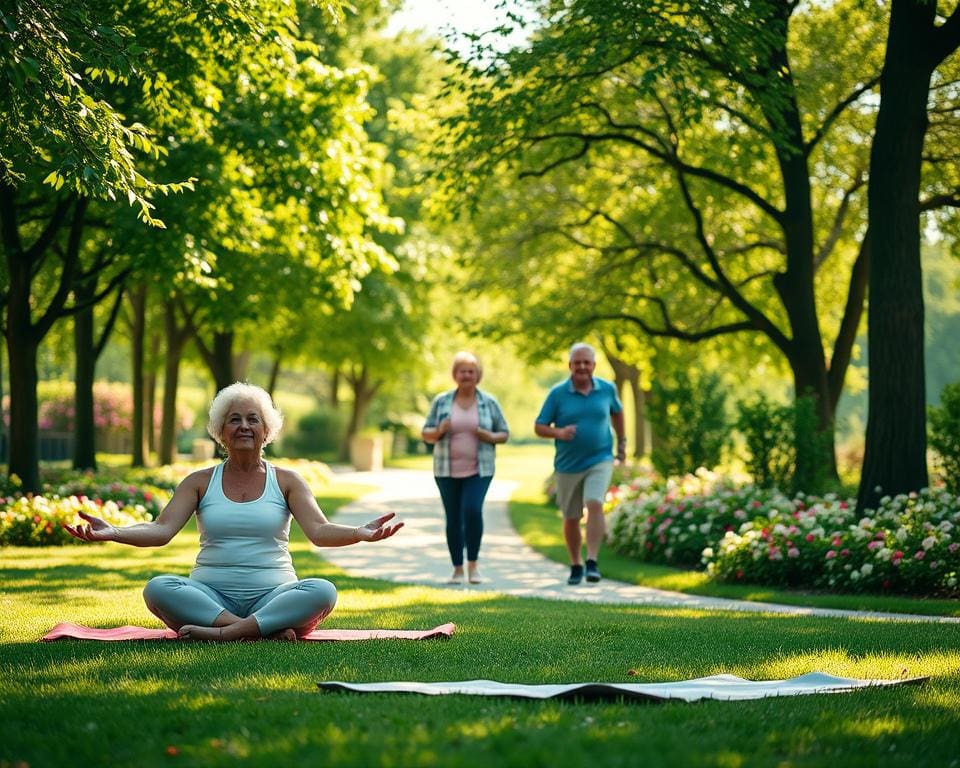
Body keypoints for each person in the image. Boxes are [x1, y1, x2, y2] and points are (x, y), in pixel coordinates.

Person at [65, 382, 402, 641]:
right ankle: (259, 630)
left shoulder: (286, 481)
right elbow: (161, 529)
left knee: (323, 591)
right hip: (209, 595)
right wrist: (114, 532)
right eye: (234, 420)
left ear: (266, 431)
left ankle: (225, 634)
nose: (243, 426)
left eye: (252, 420)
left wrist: (359, 533)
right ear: (220, 432)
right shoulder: (199, 481)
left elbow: (319, 531)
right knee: (158, 588)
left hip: (275, 593)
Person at [535, 342, 625, 585]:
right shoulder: (557, 393)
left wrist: (622, 445)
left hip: (601, 458)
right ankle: (575, 563)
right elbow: (540, 426)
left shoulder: (607, 389)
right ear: (570, 366)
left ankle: (592, 561)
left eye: (587, 362)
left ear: (594, 365)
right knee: (571, 516)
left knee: (595, 502)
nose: (582, 367)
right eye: (578, 363)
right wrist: (560, 433)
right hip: (567, 465)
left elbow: (617, 412)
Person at [421, 351, 509, 585]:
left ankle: (474, 566)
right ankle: (458, 570)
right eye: (462, 371)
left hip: (480, 470)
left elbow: (504, 433)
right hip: (446, 471)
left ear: (477, 375)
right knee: (453, 518)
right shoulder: (442, 401)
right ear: (455, 375)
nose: (467, 375)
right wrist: (439, 430)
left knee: (471, 510)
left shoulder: (489, 402)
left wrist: (488, 435)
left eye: (471, 371)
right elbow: (425, 433)